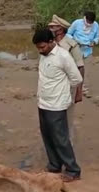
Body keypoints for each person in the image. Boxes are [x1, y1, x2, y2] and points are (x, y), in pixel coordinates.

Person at [32, 29, 83, 182]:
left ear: (51, 42)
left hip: (57, 105)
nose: (40, 50)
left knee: (61, 139)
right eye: (38, 48)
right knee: (47, 136)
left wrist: (63, 92)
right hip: (43, 103)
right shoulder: (44, 56)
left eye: (42, 47)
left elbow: (77, 78)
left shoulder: (63, 56)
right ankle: (54, 165)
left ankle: (73, 170)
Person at [48, 14, 84, 144]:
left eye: (53, 26)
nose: (50, 28)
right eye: (50, 26)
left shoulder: (71, 45)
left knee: (67, 121)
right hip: (53, 88)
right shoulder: (50, 44)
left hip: (68, 87)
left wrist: (79, 91)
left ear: (61, 29)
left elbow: (80, 67)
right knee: (53, 119)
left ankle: (68, 150)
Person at [67, 11, 99, 98]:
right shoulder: (76, 23)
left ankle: (83, 89)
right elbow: (68, 34)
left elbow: (97, 37)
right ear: (84, 18)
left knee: (86, 71)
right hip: (76, 50)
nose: (89, 24)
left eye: (91, 22)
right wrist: (76, 42)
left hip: (88, 51)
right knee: (74, 69)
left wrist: (94, 42)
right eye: (88, 22)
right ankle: (72, 88)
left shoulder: (96, 25)